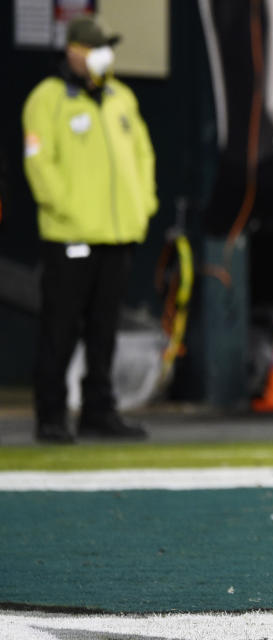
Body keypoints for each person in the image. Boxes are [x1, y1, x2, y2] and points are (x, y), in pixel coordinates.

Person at [22, 15, 157, 443]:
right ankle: (51, 415)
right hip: (71, 236)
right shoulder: (47, 99)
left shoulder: (121, 98)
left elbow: (143, 155)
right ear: (74, 51)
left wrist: (144, 205)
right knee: (60, 328)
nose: (102, 56)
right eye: (94, 48)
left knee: (104, 330)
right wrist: (68, 211)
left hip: (118, 234)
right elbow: (39, 163)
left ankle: (99, 411)